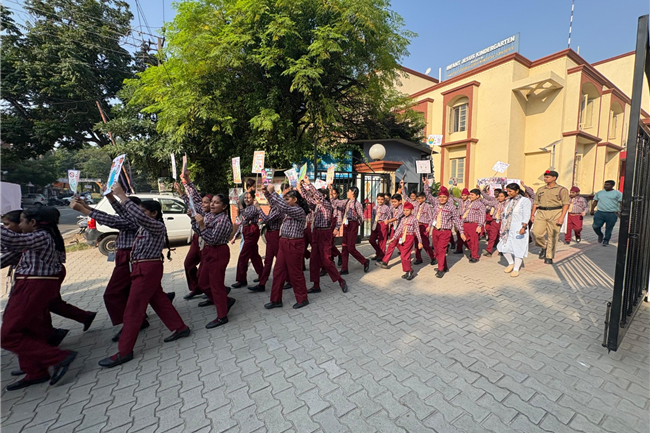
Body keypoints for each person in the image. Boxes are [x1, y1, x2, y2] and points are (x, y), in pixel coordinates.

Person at [98, 185, 190, 368]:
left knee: (133, 310)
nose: (139, 214)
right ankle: (180, 328)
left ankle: (124, 351)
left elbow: (137, 216)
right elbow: (127, 214)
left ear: (153, 213)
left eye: (143, 211)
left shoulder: (155, 226)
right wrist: (111, 198)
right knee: (159, 300)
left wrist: (122, 195)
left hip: (147, 269)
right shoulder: (142, 227)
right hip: (143, 268)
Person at [1, 207, 78, 390]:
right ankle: (35, 371)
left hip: (32, 286)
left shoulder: (41, 236)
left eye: (21, 221)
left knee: (7, 335)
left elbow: (12, 240)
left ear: (33, 223)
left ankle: (58, 357)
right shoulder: (35, 238)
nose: (19, 225)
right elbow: (9, 250)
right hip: (30, 286)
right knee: (26, 328)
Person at [70, 197, 146, 342]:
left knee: (113, 293)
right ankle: (138, 319)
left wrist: (85, 210)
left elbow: (112, 220)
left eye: (125, 206)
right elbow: (110, 215)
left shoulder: (136, 219)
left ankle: (130, 325)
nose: (121, 209)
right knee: (129, 291)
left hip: (129, 256)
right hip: (126, 255)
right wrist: (87, 206)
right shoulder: (130, 216)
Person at [182, 172, 238, 327]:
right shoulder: (210, 215)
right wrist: (187, 181)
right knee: (202, 282)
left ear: (224, 206)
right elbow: (195, 200)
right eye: (212, 202)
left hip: (218, 251)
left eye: (216, 203)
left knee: (216, 285)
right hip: (208, 251)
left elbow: (212, 239)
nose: (212, 205)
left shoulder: (223, 220)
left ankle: (222, 315)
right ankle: (225, 301)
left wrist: (200, 225)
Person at [262, 184, 310, 310]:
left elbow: (283, 206)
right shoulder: (287, 210)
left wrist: (273, 192)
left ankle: (302, 298)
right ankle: (275, 300)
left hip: (294, 244)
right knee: (278, 271)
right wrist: (267, 193)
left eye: (287, 199)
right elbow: (277, 205)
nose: (285, 201)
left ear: (295, 199)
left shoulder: (298, 211)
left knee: (295, 272)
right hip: (283, 242)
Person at [300, 178, 348, 293]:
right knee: (314, 260)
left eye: (317, 197)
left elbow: (318, 196)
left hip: (325, 233)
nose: (315, 198)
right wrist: (300, 187)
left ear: (324, 196)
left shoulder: (327, 205)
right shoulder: (316, 206)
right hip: (316, 233)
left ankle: (341, 280)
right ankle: (316, 285)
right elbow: (307, 198)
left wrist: (309, 183)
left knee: (326, 260)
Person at [176, 182, 212, 300]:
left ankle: (210, 290)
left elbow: (193, 198)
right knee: (188, 263)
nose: (202, 204)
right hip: (197, 239)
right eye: (202, 202)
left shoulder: (210, 214)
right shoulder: (199, 208)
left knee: (205, 269)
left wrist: (186, 181)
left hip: (205, 240)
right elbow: (191, 201)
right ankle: (196, 288)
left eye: (206, 202)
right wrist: (181, 190)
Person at [425, 186, 465, 278]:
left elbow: (457, 220)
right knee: (437, 250)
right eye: (440, 197)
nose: (442, 199)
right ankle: (444, 266)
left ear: (447, 198)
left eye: (444, 197)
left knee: (441, 250)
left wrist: (461, 232)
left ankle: (440, 269)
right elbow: (428, 195)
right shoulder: (436, 205)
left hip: (445, 231)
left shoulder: (451, 207)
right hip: (435, 230)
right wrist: (426, 185)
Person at [531, 170, 570, 264]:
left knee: (552, 236)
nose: (545, 179)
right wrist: (532, 214)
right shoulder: (541, 189)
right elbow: (536, 203)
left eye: (547, 177)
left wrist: (562, 217)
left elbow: (566, 204)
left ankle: (549, 256)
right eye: (545, 177)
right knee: (536, 233)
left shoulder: (562, 190)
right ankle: (544, 246)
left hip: (555, 212)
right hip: (541, 212)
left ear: (554, 178)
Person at [330, 186, 370, 274]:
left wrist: (356, 224)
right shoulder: (346, 201)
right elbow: (336, 203)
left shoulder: (357, 204)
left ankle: (364, 261)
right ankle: (344, 268)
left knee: (351, 248)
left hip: (353, 225)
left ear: (353, 193)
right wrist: (331, 191)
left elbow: (362, 217)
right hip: (346, 224)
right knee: (344, 247)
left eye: (348, 191)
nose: (347, 193)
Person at [378, 202, 422, 280]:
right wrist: (393, 238)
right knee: (403, 255)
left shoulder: (414, 219)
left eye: (407, 210)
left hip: (409, 237)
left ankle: (410, 270)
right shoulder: (403, 219)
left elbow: (417, 231)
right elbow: (399, 229)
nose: (405, 212)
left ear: (411, 210)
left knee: (404, 255)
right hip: (402, 237)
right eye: (404, 210)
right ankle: (407, 271)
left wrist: (420, 242)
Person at [497, 184, 532, 277]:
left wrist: (523, 227)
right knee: (503, 246)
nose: (508, 193)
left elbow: (526, 214)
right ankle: (511, 263)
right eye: (507, 191)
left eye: (510, 191)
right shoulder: (509, 200)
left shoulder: (524, 201)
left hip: (518, 227)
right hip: (507, 228)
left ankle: (516, 268)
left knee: (518, 248)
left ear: (517, 191)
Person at [232, 191, 264, 288]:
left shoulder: (254, 207)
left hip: (252, 231)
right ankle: (262, 275)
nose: (246, 199)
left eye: (249, 197)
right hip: (246, 230)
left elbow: (246, 216)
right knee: (254, 255)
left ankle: (241, 279)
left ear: (253, 198)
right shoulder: (247, 208)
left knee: (243, 255)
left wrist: (240, 206)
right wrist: (235, 236)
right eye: (245, 198)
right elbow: (242, 223)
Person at [248, 204, 283, 292]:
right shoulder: (273, 208)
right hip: (270, 234)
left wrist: (259, 208)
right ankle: (262, 283)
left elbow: (266, 219)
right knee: (268, 261)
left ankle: (289, 280)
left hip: (275, 234)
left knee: (280, 260)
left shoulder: (278, 209)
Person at [404, 178, 436, 265]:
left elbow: (431, 217)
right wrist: (402, 188)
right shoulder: (415, 204)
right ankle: (418, 258)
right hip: (416, 225)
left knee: (425, 244)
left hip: (424, 226)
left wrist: (429, 226)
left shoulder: (427, 206)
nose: (418, 200)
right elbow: (406, 198)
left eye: (420, 198)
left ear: (424, 198)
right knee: (417, 242)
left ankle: (433, 257)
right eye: (417, 198)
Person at [457, 189, 486, 262]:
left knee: (474, 241)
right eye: (470, 194)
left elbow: (482, 216)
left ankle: (475, 256)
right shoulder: (468, 203)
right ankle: (472, 250)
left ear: (477, 196)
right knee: (464, 239)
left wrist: (480, 226)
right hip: (465, 223)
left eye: (472, 195)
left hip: (474, 224)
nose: (470, 196)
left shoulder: (480, 205)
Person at [591, 180, 622, 246]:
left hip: (612, 213)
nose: (605, 186)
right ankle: (600, 234)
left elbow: (621, 202)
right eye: (605, 184)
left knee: (609, 228)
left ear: (612, 185)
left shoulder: (617, 193)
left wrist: (621, 211)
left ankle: (606, 240)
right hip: (600, 212)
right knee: (595, 226)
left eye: (608, 185)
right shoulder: (599, 193)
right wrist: (592, 209)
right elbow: (595, 201)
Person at [368, 193, 391, 262]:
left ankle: (381, 256)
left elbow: (389, 217)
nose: (380, 201)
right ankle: (379, 252)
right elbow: (372, 216)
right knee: (371, 240)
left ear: (384, 200)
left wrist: (388, 227)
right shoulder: (375, 207)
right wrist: (372, 224)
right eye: (379, 199)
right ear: (376, 199)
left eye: (382, 199)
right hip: (375, 223)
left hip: (383, 223)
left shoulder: (386, 208)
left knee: (382, 241)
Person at [483, 190, 507, 257]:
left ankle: (502, 250)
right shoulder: (496, 203)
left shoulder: (507, 204)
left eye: (502, 196)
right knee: (492, 236)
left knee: (502, 237)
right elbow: (488, 202)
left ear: (505, 197)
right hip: (495, 221)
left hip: (503, 222)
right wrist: (480, 198)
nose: (500, 198)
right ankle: (489, 250)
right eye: (499, 196)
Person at [452, 188, 471, 254]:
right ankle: (459, 248)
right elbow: (453, 197)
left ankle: (471, 249)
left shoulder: (470, 202)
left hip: (466, 219)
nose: (463, 197)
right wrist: (451, 189)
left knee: (465, 235)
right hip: (459, 218)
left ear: (468, 195)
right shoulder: (460, 201)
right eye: (462, 195)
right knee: (459, 234)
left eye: (465, 195)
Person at [329, 187, 343, 266]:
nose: (332, 195)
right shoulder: (328, 202)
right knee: (328, 243)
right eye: (331, 193)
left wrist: (337, 228)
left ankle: (338, 254)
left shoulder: (339, 203)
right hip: (328, 224)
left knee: (330, 242)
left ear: (338, 194)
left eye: (334, 193)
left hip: (334, 223)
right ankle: (332, 258)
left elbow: (339, 217)